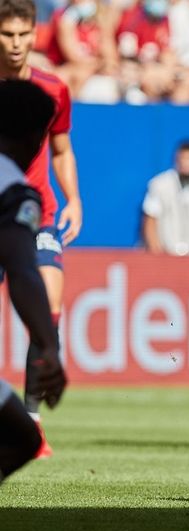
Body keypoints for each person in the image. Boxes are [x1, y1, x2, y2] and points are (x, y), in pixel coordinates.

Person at [0, 0, 82, 459]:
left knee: (48, 302)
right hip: (3, 206)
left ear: (35, 33)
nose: (16, 44)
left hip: (36, 211)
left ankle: (32, 421)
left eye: (23, 35)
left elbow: (61, 149)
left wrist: (74, 198)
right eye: (7, 35)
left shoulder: (53, 88)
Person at [0, 80, 68, 484]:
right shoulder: (14, 189)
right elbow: (23, 272)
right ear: (34, 137)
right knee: (22, 438)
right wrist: (48, 344)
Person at [142, 140, 189, 256]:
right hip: (168, 253)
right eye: (184, 158)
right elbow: (151, 219)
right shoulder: (160, 184)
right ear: (176, 160)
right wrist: (156, 252)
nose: (188, 163)